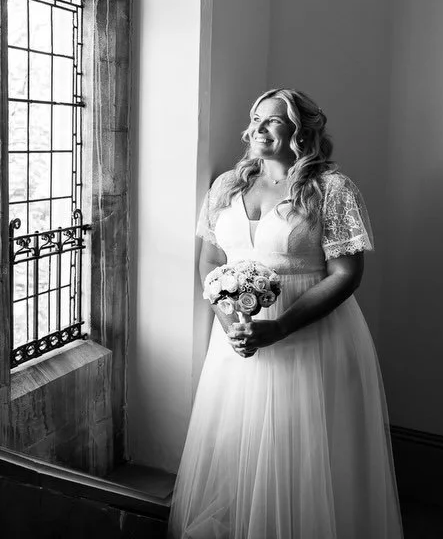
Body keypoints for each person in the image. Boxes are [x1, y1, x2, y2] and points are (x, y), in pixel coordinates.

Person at [168, 89, 404, 538]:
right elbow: (210, 262)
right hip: (238, 338)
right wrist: (233, 327)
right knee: (240, 441)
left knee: (302, 449)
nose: (257, 128)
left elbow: (345, 275)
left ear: (302, 130)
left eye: (273, 121)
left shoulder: (331, 190)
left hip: (310, 334)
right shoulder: (226, 186)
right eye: (255, 118)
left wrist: (278, 327)